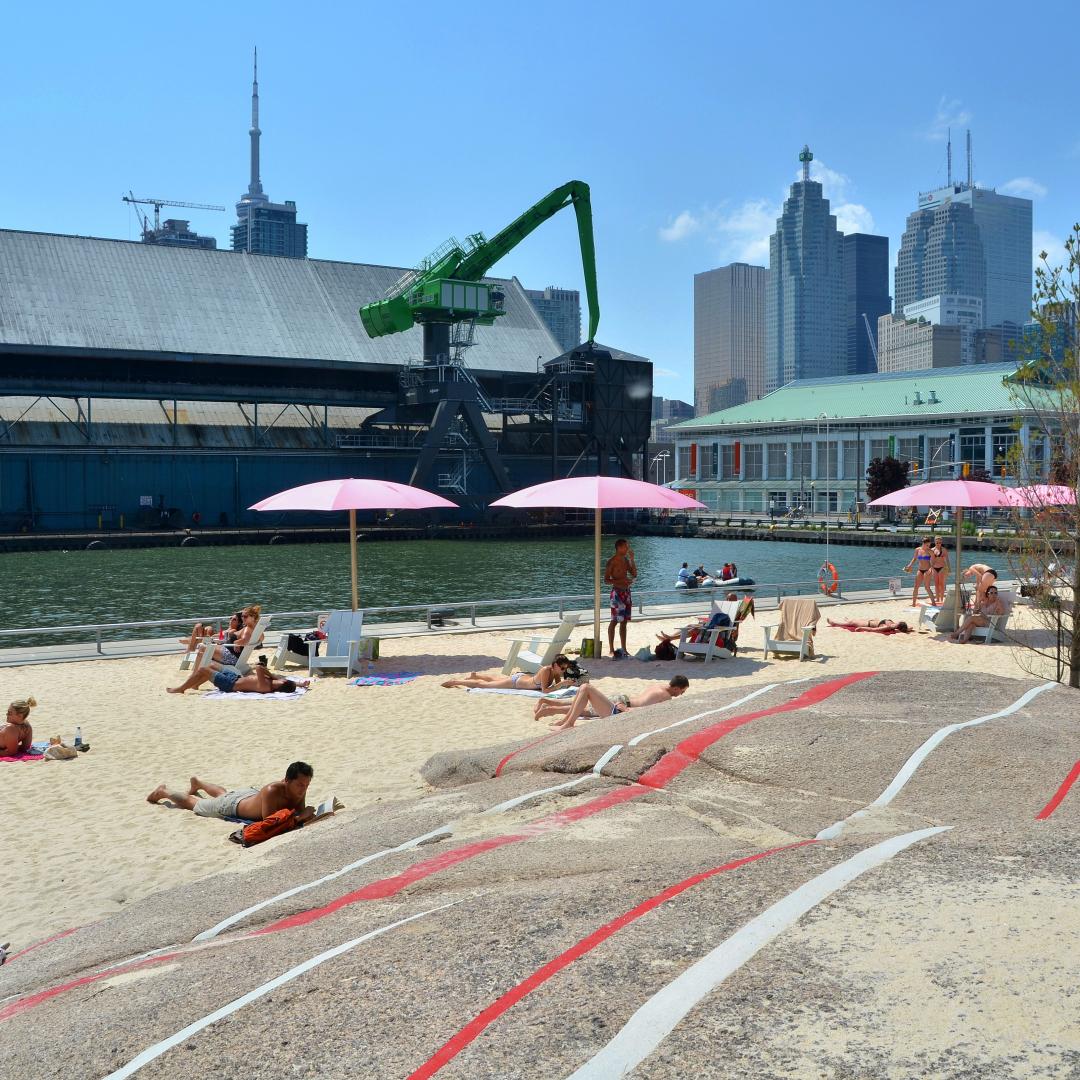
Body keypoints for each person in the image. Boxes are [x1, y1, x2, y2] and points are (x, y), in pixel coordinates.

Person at [147, 761, 316, 822]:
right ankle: (164, 792)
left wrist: (303, 812)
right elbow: (270, 822)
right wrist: (302, 816)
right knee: (193, 803)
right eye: (300, 784)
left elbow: (299, 809)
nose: (304, 788)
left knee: (224, 794)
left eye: (306, 784)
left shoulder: (297, 789)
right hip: (232, 806)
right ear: (287, 780)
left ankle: (198, 783)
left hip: (248, 796)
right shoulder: (272, 790)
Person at [536, 675, 690, 730]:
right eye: (682, 691)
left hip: (623, 699)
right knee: (588, 702)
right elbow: (648, 711)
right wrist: (627, 710)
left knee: (587, 702)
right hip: (623, 707)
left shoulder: (659, 686)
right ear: (676, 688)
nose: (681, 694)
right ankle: (566, 722)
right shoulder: (666, 697)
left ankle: (554, 711)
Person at [443, 655, 573, 692]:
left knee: (496, 680)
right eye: (562, 668)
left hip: (524, 678)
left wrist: (566, 684)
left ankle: (475, 675)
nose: (563, 671)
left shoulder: (555, 672)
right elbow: (545, 690)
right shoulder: (546, 670)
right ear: (555, 665)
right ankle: (456, 682)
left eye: (564, 669)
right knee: (484, 685)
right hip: (516, 683)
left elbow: (556, 688)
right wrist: (562, 683)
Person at [167, 660, 299, 696]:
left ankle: (181, 688)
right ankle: (196, 685)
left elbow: (259, 668)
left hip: (229, 684)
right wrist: (300, 685)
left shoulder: (266, 687)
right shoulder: (271, 684)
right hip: (235, 677)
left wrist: (273, 675)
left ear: (283, 682)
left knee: (203, 669)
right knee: (212, 665)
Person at [604, 538, 637, 659]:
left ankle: (624, 648)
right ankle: (611, 649)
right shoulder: (611, 561)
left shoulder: (626, 560)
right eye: (626, 546)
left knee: (624, 622)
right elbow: (606, 580)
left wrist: (632, 559)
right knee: (614, 621)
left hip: (626, 592)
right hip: (617, 593)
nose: (628, 548)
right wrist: (620, 580)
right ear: (619, 547)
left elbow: (634, 574)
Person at [903, 537, 935, 606]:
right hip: (920, 570)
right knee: (916, 586)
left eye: (929, 545)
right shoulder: (917, 550)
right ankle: (914, 603)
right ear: (923, 543)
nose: (928, 546)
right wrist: (909, 565)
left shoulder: (930, 551)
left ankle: (933, 603)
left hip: (927, 570)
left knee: (927, 587)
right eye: (927, 545)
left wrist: (931, 569)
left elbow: (933, 562)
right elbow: (914, 559)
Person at [930, 536, 951, 606]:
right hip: (934, 568)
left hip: (942, 567)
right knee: (936, 584)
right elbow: (929, 560)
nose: (938, 543)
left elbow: (947, 560)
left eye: (939, 542)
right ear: (935, 542)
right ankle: (937, 598)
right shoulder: (932, 550)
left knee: (941, 584)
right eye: (937, 542)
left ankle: (941, 598)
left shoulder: (944, 550)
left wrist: (949, 569)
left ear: (941, 542)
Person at [827, 618, 911, 634]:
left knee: (850, 623)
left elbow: (872, 630)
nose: (899, 620)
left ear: (898, 625)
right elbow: (909, 628)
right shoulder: (893, 624)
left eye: (900, 622)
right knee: (852, 620)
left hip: (866, 624)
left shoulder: (888, 627)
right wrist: (907, 629)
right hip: (869, 620)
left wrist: (861, 628)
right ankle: (847, 620)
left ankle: (833, 622)